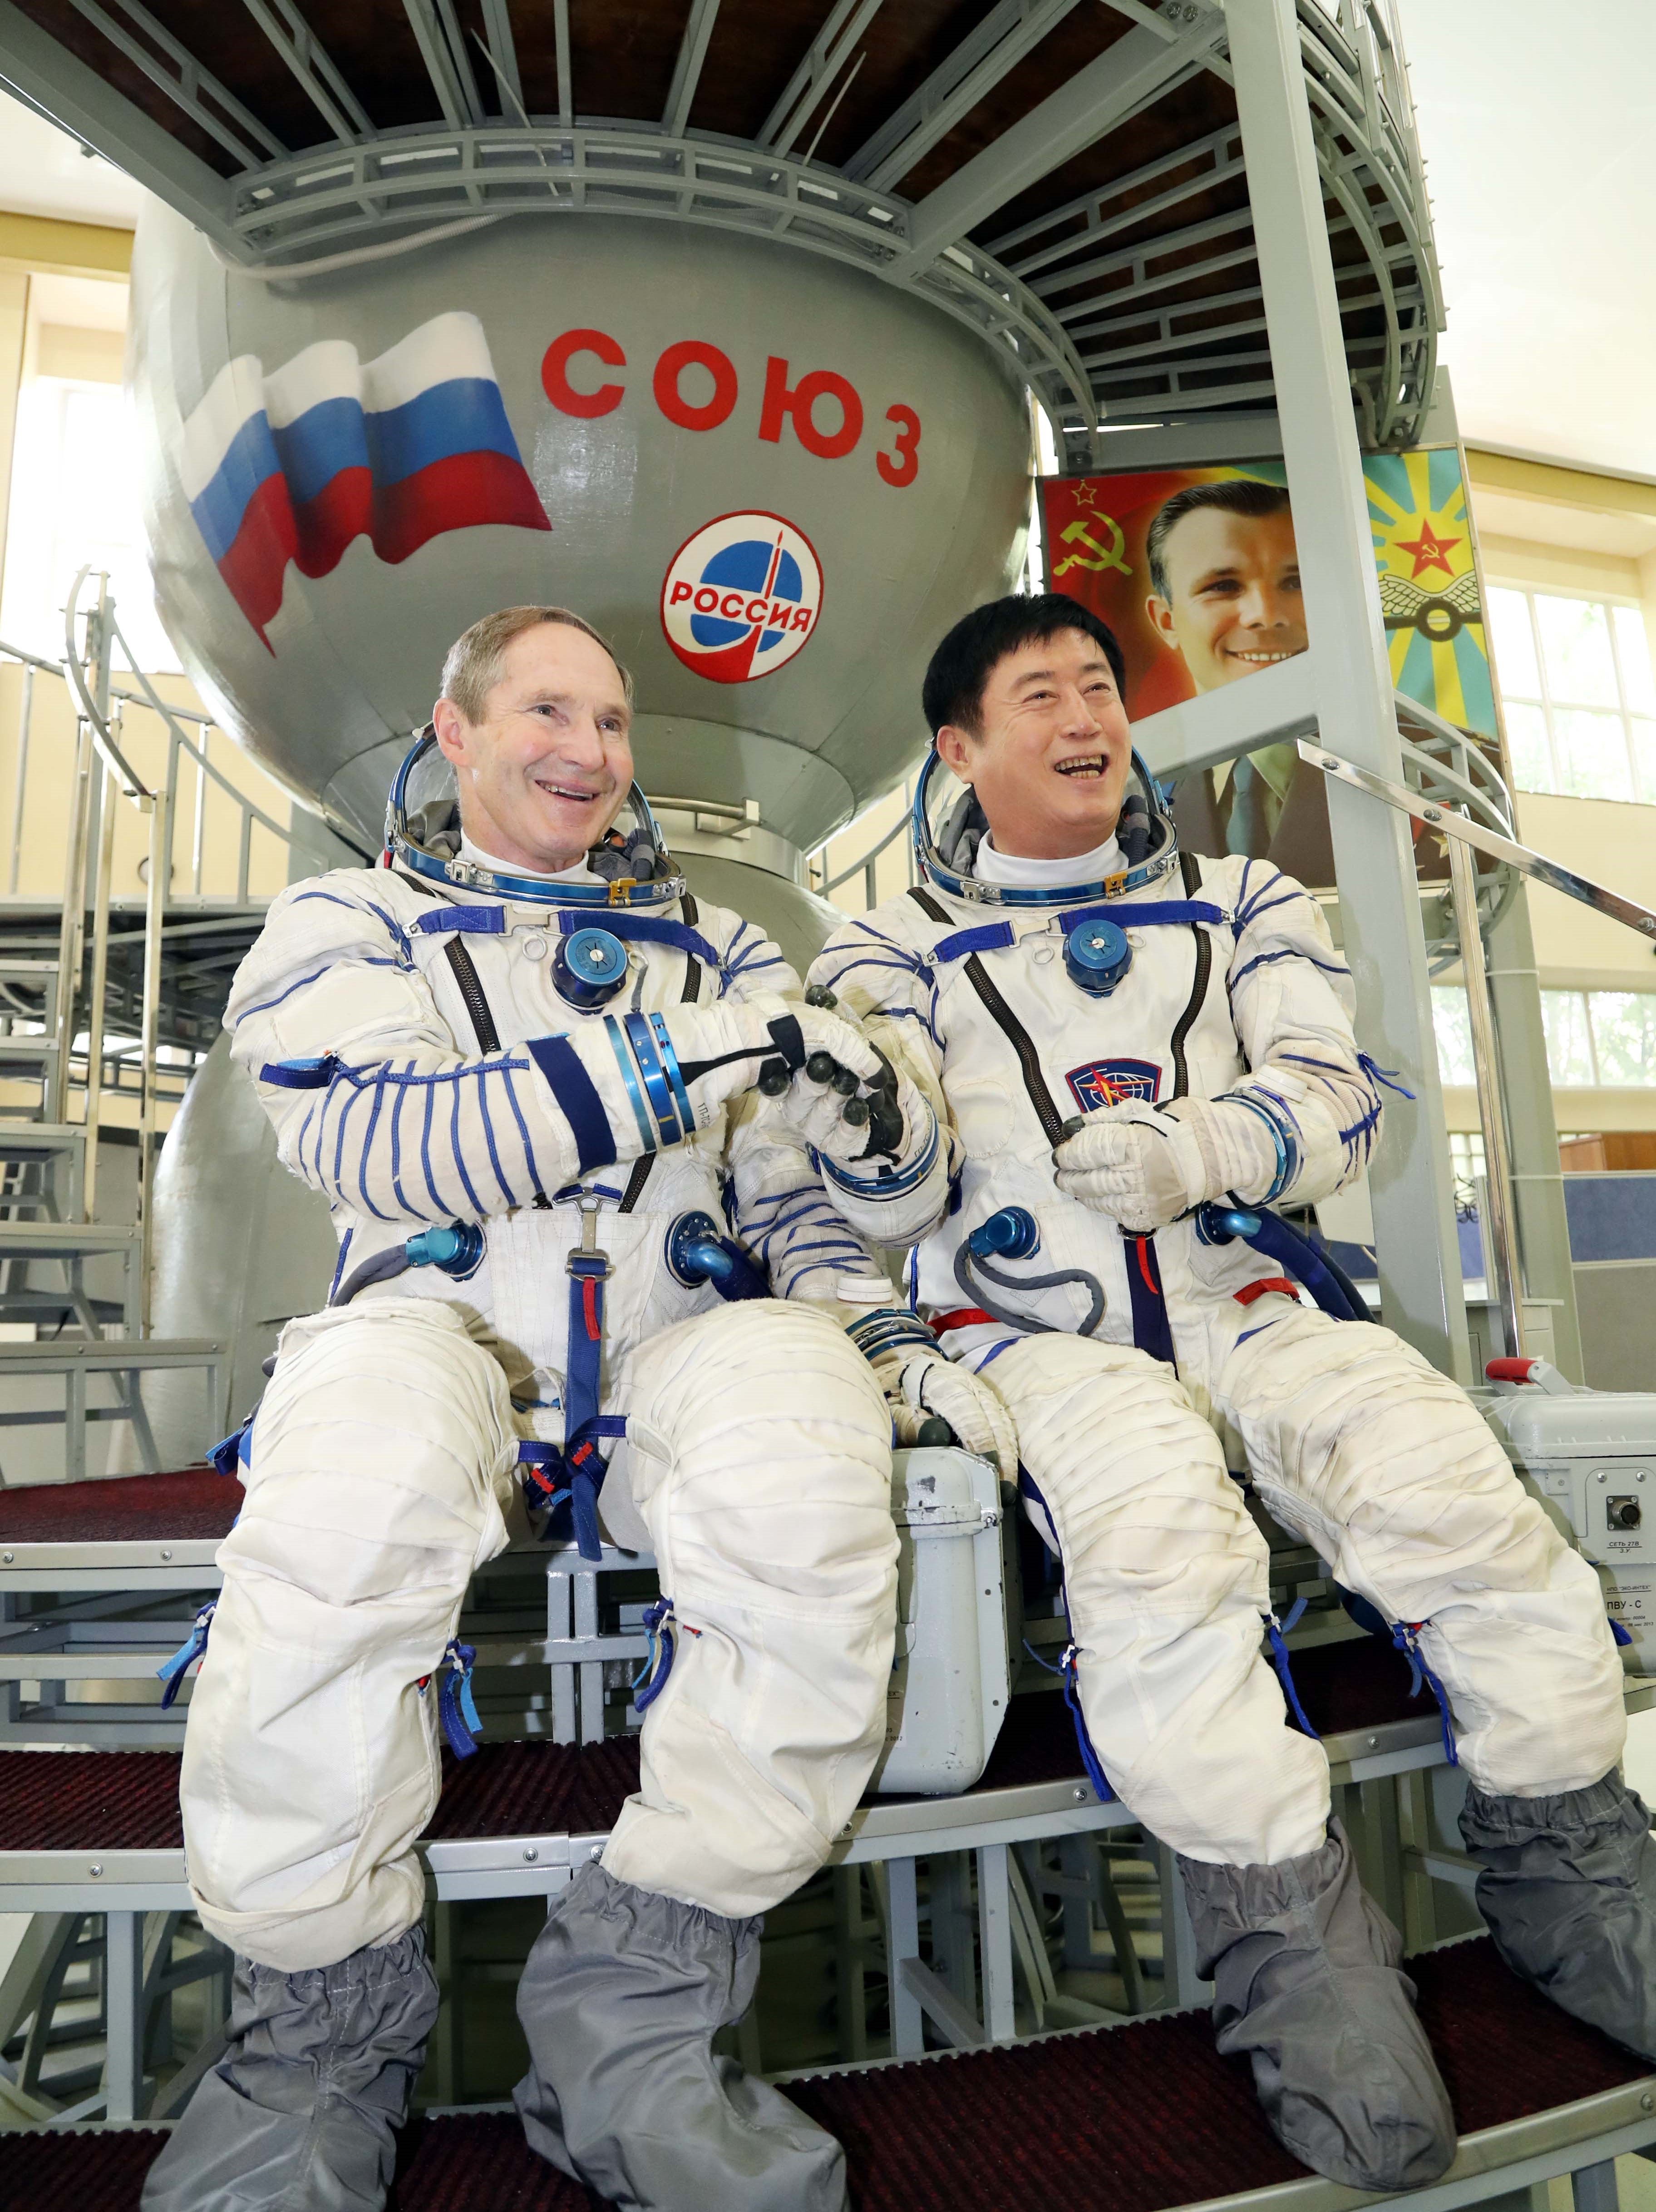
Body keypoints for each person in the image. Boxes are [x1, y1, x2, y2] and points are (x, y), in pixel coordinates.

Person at [803, 591, 1656, 2192]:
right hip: (1034, 1341)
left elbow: (1339, 1097)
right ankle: (1295, 1955)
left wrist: (1200, 1147)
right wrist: (871, 1172)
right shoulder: (881, 947)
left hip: (1239, 1302)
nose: (1084, 719)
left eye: (1098, 688)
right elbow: (874, 1198)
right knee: (1158, 1542)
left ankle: (1575, 1875)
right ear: (958, 749)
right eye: (1040, 695)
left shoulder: (1239, 899)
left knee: (1441, 1477)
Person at [141, 603, 945, 2212]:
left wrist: (877, 1235)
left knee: (805, 1456)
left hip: (668, 1348)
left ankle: (636, 2020)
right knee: (348, 1485)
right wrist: (683, 1056)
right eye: (548, 713)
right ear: (455, 732)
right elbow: (387, 1146)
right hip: (438, 1338)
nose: (589, 751)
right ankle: (315, 2047)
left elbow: (803, 1199)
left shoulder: (718, 944)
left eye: (613, 721)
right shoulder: (349, 920)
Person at [1144, 478, 1306, 854]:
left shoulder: (1430, 768)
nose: (1265, 615)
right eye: (1224, 586)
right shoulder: (1126, 796)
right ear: (1167, 622)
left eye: (1295, 583)